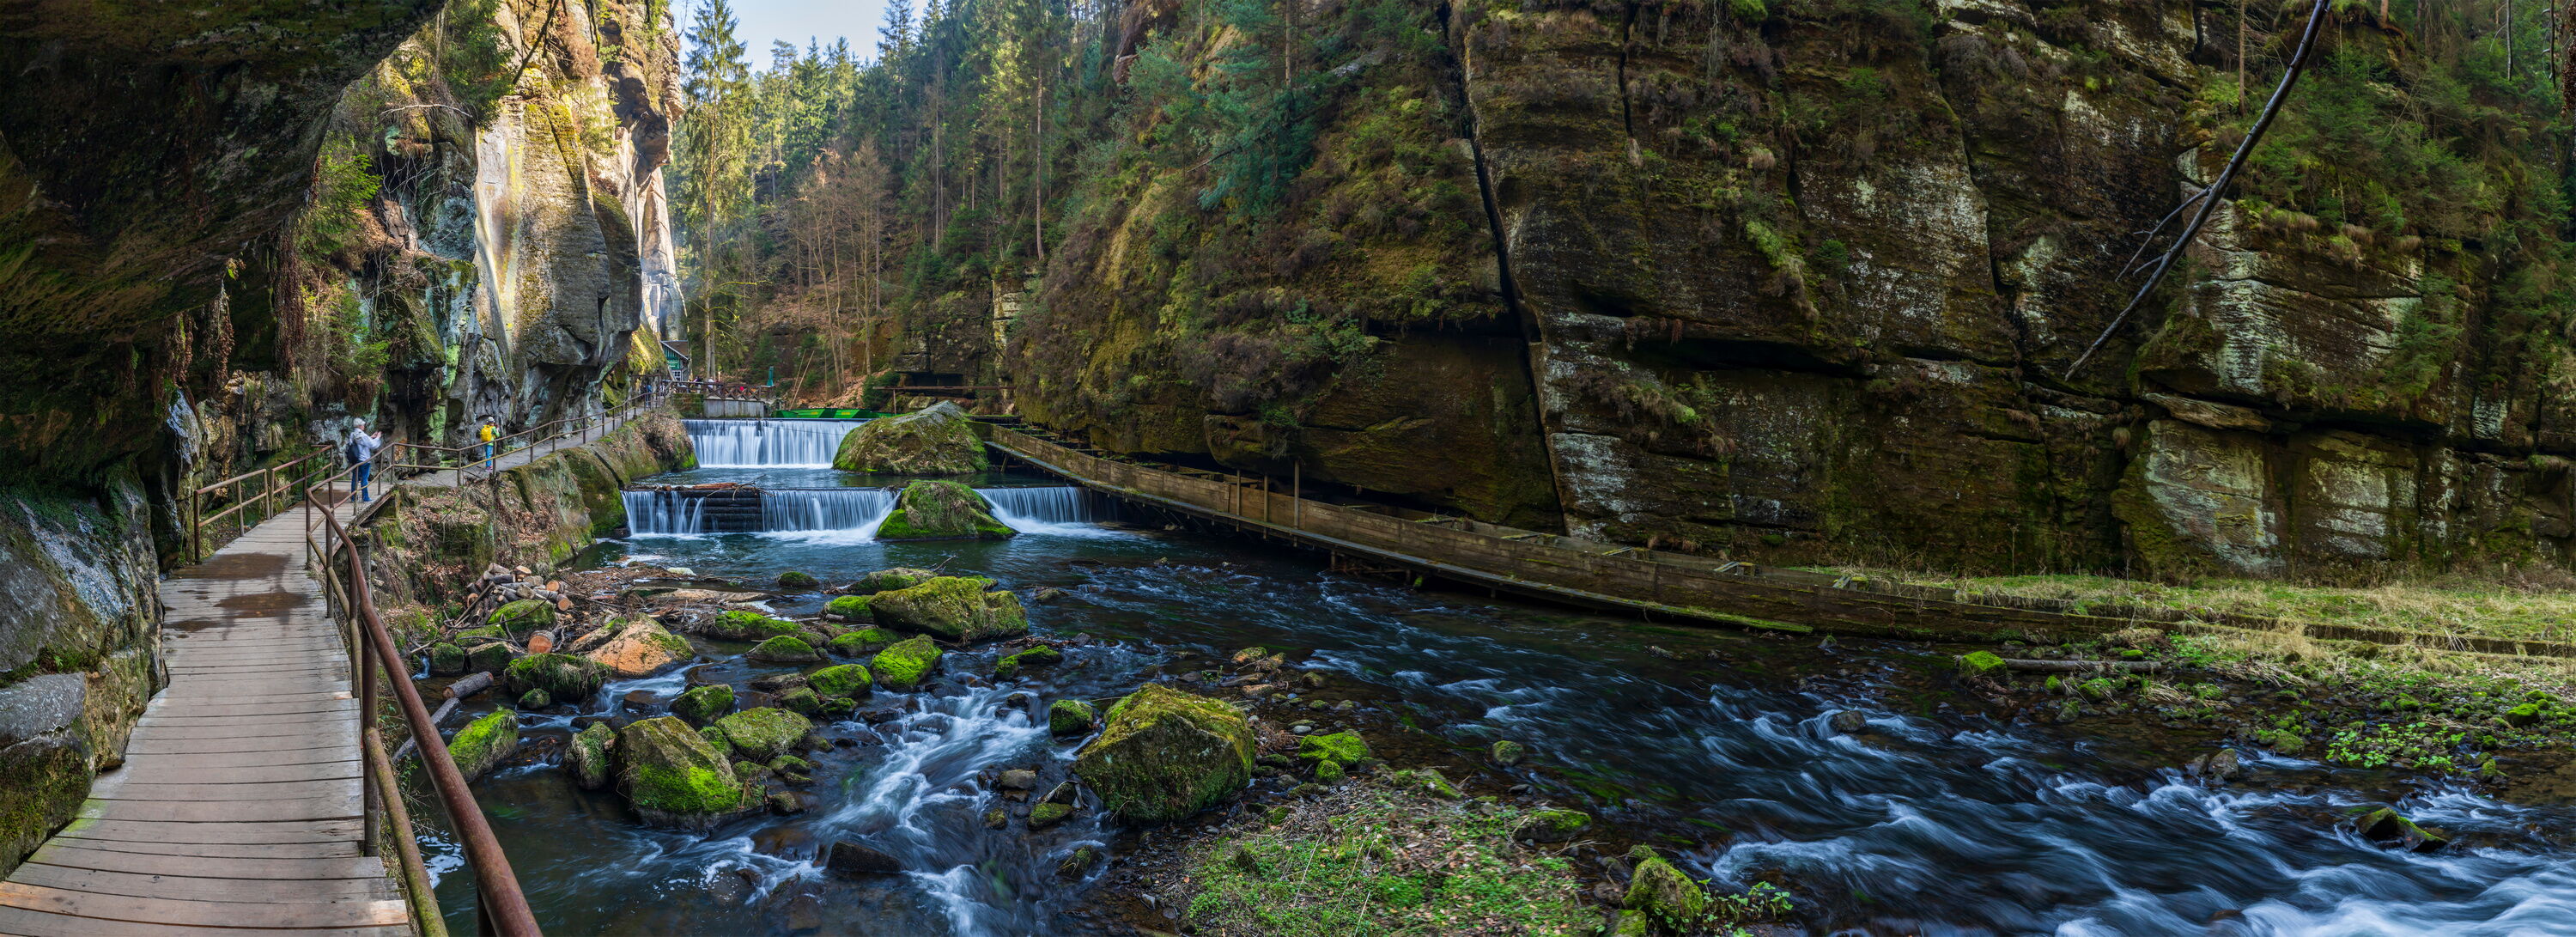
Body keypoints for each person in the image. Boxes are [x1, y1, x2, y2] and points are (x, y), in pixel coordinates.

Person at [347, 423, 384, 502]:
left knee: (355, 479)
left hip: (355, 460)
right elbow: (373, 445)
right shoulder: (363, 435)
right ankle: (365, 498)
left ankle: (353, 498)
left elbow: (360, 443)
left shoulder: (353, 434)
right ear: (360, 426)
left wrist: (371, 437)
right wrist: (377, 438)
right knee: (364, 479)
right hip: (364, 460)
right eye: (363, 425)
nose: (364, 426)